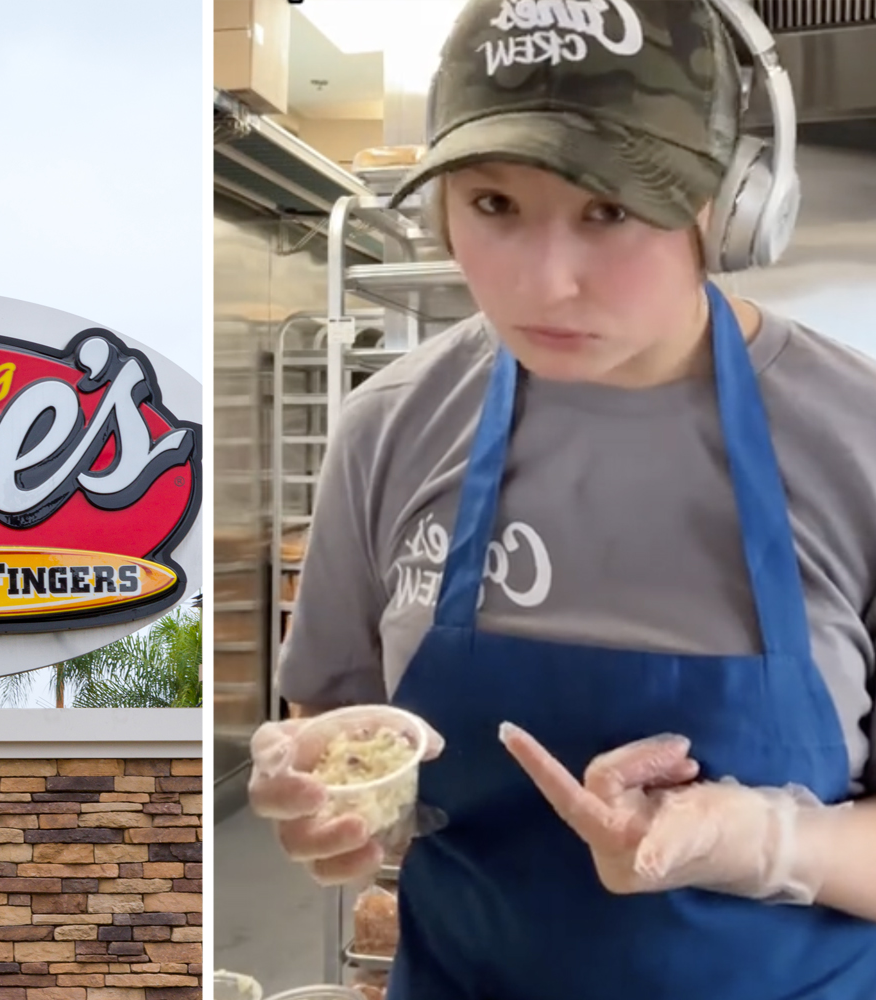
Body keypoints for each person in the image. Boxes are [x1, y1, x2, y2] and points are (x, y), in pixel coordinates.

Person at [248, 0, 876, 997]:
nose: (544, 284)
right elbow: (334, 711)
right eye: (492, 205)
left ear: (730, 204)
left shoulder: (857, 442)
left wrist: (756, 840)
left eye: (609, 208)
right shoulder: (388, 428)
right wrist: (340, 808)